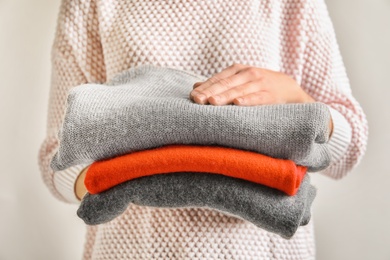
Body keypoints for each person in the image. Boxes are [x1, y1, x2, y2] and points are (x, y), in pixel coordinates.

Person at [38, 0, 368, 259]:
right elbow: (57, 155)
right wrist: (109, 181)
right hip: (130, 251)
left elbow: (348, 152)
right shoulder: (91, 3)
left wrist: (296, 97)